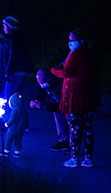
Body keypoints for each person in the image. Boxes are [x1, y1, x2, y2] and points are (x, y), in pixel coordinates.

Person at [51, 28, 100, 168]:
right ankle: (88, 158)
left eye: (72, 40)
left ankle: (74, 158)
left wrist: (54, 70)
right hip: (90, 97)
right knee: (88, 128)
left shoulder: (75, 55)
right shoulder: (91, 54)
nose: (70, 42)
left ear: (79, 41)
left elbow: (67, 72)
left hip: (76, 97)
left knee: (75, 127)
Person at [27, 68, 70, 151]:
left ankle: (73, 145)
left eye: (43, 82)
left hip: (67, 102)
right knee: (57, 114)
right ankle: (63, 141)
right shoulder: (43, 83)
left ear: (49, 77)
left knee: (70, 119)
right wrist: (36, 100)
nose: (42, 85)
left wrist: (45, 106)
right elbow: (41, 92)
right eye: (40, 83)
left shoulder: (59, 83)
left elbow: (62, 104)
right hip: (59, 103)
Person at [0, 74, 33, 157]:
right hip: (20, 129)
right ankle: (17, 152)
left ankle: (6, 151)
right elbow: (26, 120)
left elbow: (12, 120)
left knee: (8, 139)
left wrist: (6, 123)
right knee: (18, 140)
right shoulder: (23, 110)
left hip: (13, 129)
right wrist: (26, 127)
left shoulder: (14, 111)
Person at [2, 16, 33, 99]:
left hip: (16, 71)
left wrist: (8, 71)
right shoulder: (19, 36)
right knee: (17, 95)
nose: (3, 28)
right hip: (21, 70)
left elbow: (13, 56)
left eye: (4, 25)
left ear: (9, 26)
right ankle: (19, 111)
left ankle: (11, 112)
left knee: (9, 96)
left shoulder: (14, 39)